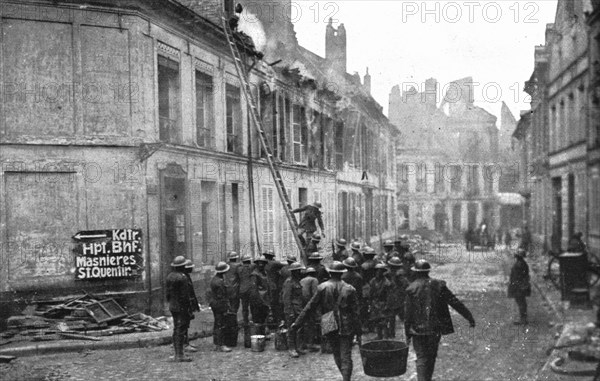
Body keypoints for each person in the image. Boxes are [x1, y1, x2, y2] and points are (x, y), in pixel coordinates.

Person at [405, 259, 475, 381]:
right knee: (431, 356)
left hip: (417, 331)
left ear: (416, 272)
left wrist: (407, 333)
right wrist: (469, 317)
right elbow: (454, 302)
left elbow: (408, 314)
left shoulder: (411, 289)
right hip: (435, 329)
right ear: (428, 271)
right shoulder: (439, 285)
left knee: (421, 357)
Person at [291, 262, 361, 381]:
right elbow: (356, 313)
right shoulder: (350, 289)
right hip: (347, 324)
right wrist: (359, 332)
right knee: (346, 355)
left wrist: (297, 323)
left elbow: (310, 307)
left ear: (330, 272)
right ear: (342, 274)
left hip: (329, 321)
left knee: (336, 353)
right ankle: (346, 378)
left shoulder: (322, 287)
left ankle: (345, 376)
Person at [166, 256, 194, 362]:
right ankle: (179, 355)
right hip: (181, 307)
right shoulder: (183, 277)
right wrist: (188, 309)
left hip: (173, 306)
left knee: (176, 328)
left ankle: (177, 353)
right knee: (181, 329)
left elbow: (168, 294)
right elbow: (185, 296)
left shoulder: (170, 276)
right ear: (182, 266)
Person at [282, 262, 307, 358]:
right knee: (291, 329)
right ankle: (291, 348)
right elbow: (286, 298)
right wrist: (289, 312)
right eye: (297, 270)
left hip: (299, 309)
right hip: (292, 310)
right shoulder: (289, 282)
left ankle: (297, 347)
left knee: (299, 329)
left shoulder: (297, 281)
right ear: (293, 272)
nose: (299, 272)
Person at [210, 261, 233, 352]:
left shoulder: (215, 279)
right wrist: (226, 306)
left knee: (217, 323)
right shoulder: (219, 282)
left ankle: (216, 344)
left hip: (215, 304)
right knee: (221, 324)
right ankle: (221, 344)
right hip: (219, 304)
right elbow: (222, 296)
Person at [341, 257, 364, 344]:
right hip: (356, 299)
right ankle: (358, 336)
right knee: (357, 318)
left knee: (347, 319)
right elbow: (360, 290)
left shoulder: (343, 276)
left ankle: (350, 337)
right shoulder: (358, 276)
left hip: (346, 301)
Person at [387, 257, 409, 339]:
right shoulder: (390, 274)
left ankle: (393, 334)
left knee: (394, 316)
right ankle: (392, 333)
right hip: (396, 297)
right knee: (393, 316)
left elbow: (406, 285)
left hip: (396, 297)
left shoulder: (399, 275)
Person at [369, 263, 392, 340]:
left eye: (380, 271)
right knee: (376, 321)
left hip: (383, 303)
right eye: (377, 271)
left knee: (384, 321)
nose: (378, 273)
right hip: (375, 303)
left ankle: (385, 337)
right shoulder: (372, 281)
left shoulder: (387, 283)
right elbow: (371, 293)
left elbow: (389, 296)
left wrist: (387, 306)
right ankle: (379, 335)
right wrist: (370, 303)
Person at [300, 267, 320, 352]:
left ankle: (303, 343)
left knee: (304, 324)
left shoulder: (302, 280)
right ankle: (311, 344)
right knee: (312, 323)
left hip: (302, 304)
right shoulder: (314, 280)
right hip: (310, 304)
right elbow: (316, 293)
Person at [508, 248, 531, 325]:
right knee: (521, 302)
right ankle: (523, 318)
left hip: (519, 286)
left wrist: (514, 285)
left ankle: (523, 319)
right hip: (521, 285)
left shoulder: (519, 264)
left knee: (521, 302)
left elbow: (517, 276)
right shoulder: (523, 263)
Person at [249, 255, 271, 335]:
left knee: (263, 318)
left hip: (265, 299)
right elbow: (254, 290)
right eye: (259, 263)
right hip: (257, 301)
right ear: (257, 264)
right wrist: (257, 302)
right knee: (257, 320)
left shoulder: (264, 273)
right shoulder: (254, 274)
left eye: (263, 263)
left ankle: (262, 336)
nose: (261, 265)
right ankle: (258, 337)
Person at [183, 260, 200, 353]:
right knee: (183, 324)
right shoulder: (183, 278)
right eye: (190, 267)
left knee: (186, 324)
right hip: (184, 305)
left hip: (187, 304)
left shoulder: (186, 276)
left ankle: (185, 342)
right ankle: (184, 344)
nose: (192, 269)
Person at [264, 250, 284, 326]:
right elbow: (284, 265)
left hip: (264, 285)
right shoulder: (274, 263)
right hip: (273, 286)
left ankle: (267, 320)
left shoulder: (262, 263)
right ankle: (275, 320)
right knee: (275, 303)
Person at [238, 255, 254, 325]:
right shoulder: (252, 267)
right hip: (251, 290)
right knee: (253, 305)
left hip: (242, 290)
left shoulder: (239, 269)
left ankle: (245, 321)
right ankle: (253, 319)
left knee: (244, 306)